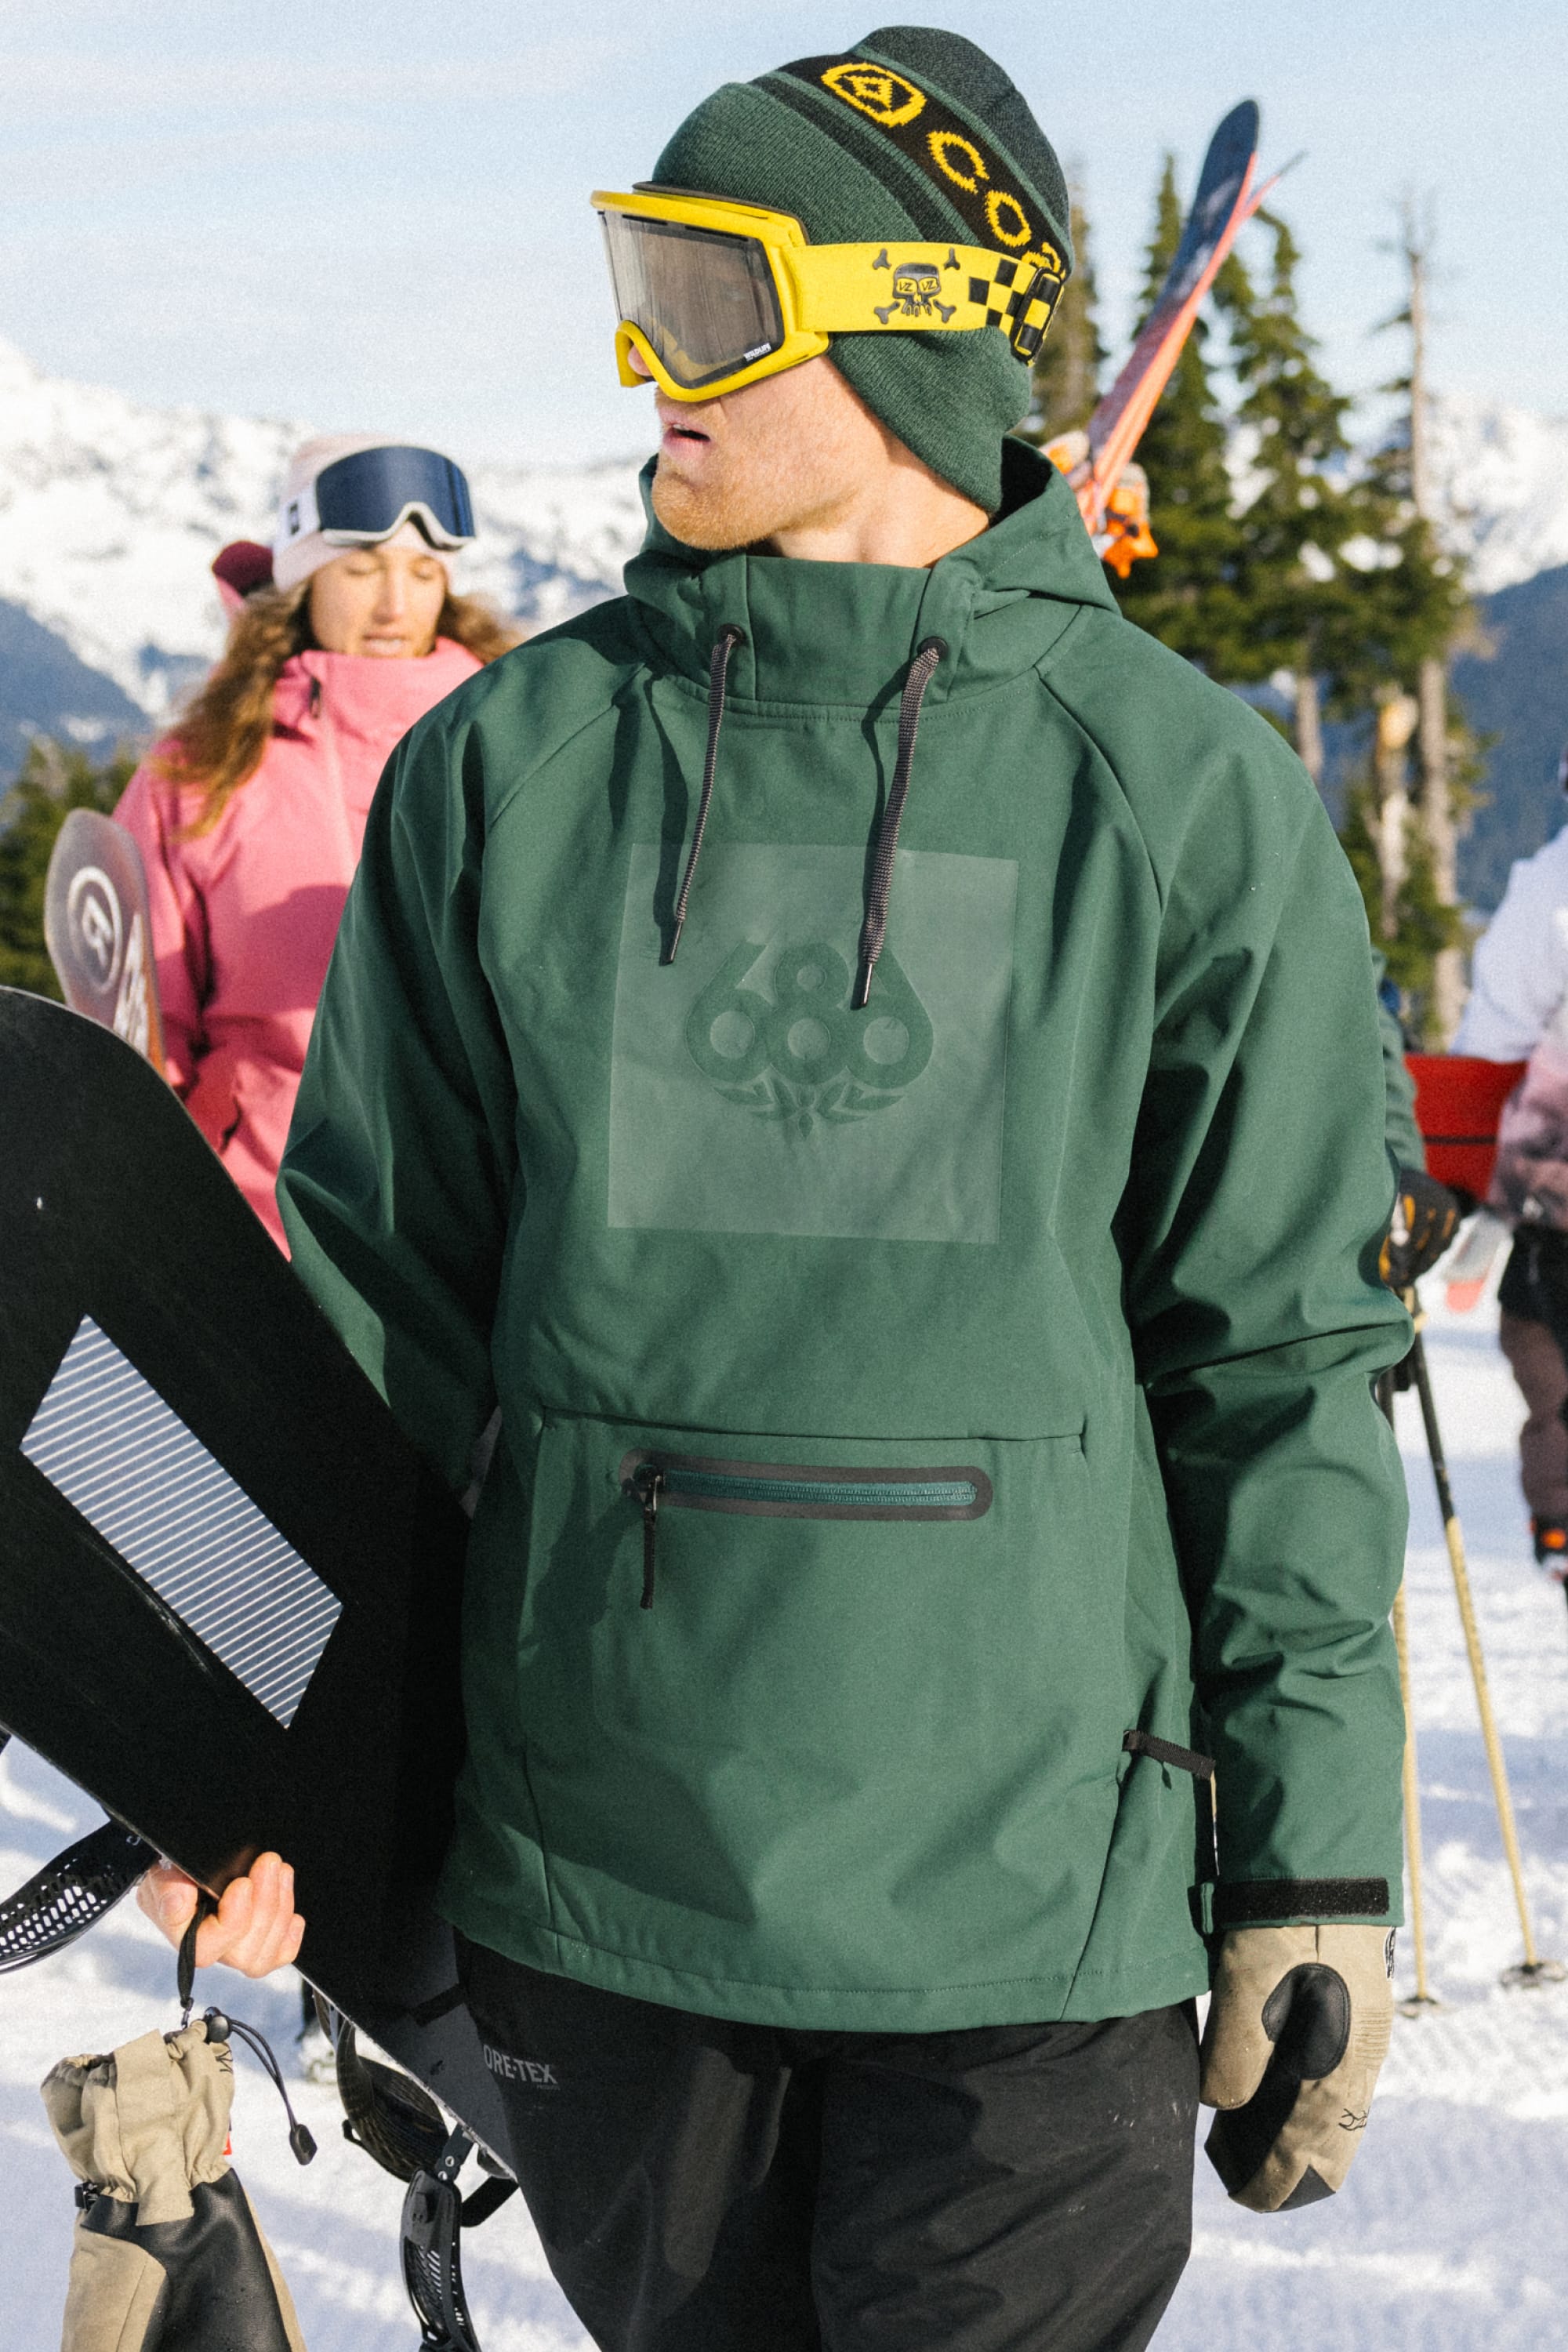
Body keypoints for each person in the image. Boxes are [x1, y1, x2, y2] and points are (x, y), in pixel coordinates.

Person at [142, 32, 1412, 2347]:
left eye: (711, 300)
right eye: (634, 282)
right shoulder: (512, 773)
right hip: (606, 1889)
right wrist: (270, 1760)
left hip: (1035, 1909)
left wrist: (1316, 1855)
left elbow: (1281, 1365)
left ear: (917, 329)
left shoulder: (1177, 802)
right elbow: (373, 1340)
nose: (644, 363)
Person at [114, 436, 516, 1251]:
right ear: (301, 583)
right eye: (363, 569)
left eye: (423, 573)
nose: (395, 605)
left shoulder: (509, 741)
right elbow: (143, 1027)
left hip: (470, 1223)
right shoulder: (203, 770)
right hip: (255, 1226)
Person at [1452, 744, 1568, 1581]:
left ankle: (1562, 1535)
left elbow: (1490, 1043)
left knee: (1554, 1393)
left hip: (1551, 1203)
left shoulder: (1553, 885)